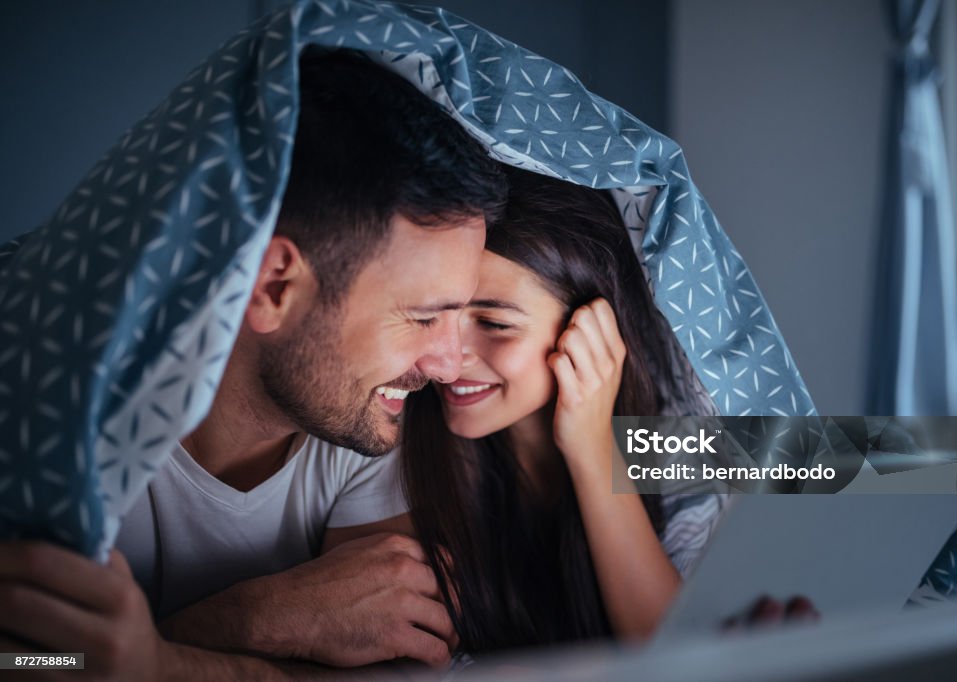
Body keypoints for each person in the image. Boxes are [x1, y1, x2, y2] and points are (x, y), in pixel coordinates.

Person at [0, 47, 507, 678]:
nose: (448, 364)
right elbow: (29, 663)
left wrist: (167, 652)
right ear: (273, 287)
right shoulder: (44, 405)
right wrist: (238, 628)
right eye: (425, 317)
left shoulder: (368, 415)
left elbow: (393, 661)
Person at [400, 168, 817, 654]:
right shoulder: (393, 438)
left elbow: (900, 457)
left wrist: (593, 449)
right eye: (435, 314)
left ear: (590, 327)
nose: (445, 357)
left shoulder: (683, 443)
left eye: (493, 323)